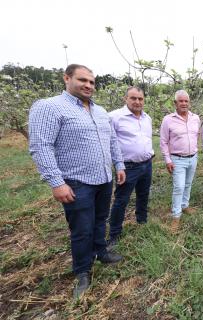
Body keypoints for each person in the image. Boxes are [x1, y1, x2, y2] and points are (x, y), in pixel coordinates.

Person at [28, 64, 126, 299]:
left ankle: (101, 252)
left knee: (100, 219)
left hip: (104, 178)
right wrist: (56, 182)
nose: (88, 85)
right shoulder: (50, 107)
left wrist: (119, 165)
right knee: (81, 228)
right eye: (83, 80)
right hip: (76, 181)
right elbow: (41, 146)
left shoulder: (101, 111)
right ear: (66, 78)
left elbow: (112, 141)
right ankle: (83, 271)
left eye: (92, 82)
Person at [108, 87, 154, 245]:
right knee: (121, 200)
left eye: (140, 99)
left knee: (143, 195)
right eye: (133, 98)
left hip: (147, 164)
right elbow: (109, 143)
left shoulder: (146, 118)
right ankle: (114, 233)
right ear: (125, 98)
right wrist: (117, 164)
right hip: (127, 167)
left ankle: (142, 221)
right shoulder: (114, 117)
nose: (137, 102)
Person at [160, 90, 201, 232]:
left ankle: (185, 205)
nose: (184, 103)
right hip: (177, 159)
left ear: (189, 103)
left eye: (186, 101)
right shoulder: (168, 120)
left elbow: (197, 135)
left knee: (188, 184)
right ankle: (176, 216)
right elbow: (164, 142)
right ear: (175, 103)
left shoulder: (195, 118)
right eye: (181, 101)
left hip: (192, 157)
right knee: (179, 187)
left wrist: (195, 150)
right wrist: (167, 160)